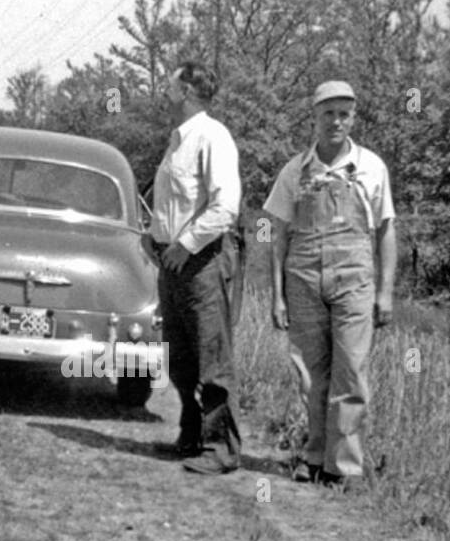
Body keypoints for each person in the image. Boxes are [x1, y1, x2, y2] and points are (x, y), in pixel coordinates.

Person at [264, 80, 397, 487]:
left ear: (353, 117)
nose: (336, 121)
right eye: (328, 113)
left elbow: (386, 229)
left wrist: (385, 291)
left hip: (354, 278)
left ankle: (345, 467)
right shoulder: (295, 170)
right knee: (310, 372)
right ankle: (314, 456)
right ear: (315, 118)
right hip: (303, 277)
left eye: (344, 113)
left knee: (352, 372)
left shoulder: (372, 167)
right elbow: (276, 232)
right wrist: (278, 295)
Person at [150, 62, 243, 475]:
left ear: (186, 90)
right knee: (181, 356)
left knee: (211, 357)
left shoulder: (212, 136)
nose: (164, 92)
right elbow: (175, 206)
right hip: (172, 262)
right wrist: (153, 235)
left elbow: (225, 207)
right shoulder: (177, 142)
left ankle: (220, 449)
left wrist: (185, 246)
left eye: (170, 84)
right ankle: (191, 435)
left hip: (201, 262)